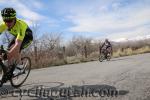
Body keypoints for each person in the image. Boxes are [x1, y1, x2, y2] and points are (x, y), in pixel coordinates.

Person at [0, 7, 33, 76]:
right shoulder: (3, 25)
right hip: (17, 36)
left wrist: (9, 53)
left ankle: (20, 66)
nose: (7, 23)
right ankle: (8, 70)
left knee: (13, 50)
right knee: (6, 53)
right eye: (5, 20)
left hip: (27, 37)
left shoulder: (20, 25)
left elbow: (17, 44)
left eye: (9, 21)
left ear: (14, 18)